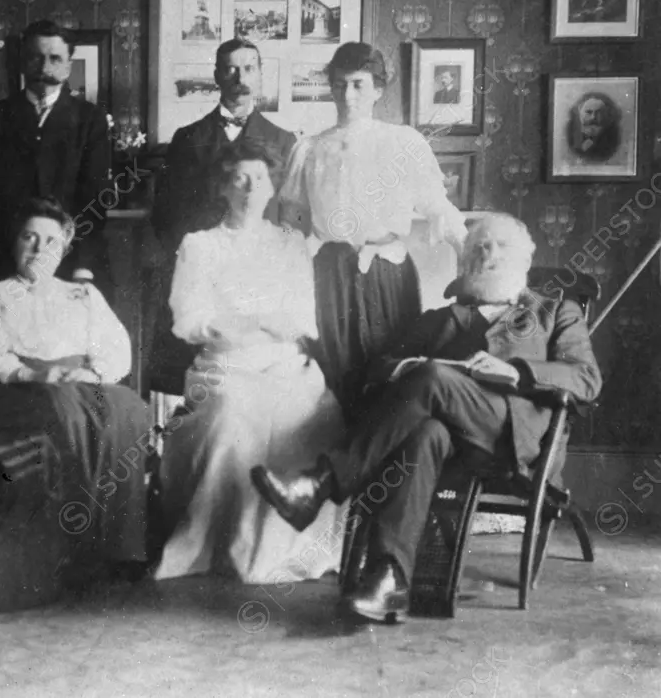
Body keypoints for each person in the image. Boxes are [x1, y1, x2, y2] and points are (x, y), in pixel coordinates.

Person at [251, 214, 602, 622]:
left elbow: (587, 379)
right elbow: (378, 368)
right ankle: (389, 580)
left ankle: (323, 482)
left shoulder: (555, 311)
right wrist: (408, 368)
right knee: (424, 434)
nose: (487, 254)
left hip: (513, 437)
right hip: (449, 443)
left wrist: (517, 372)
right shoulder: (439, 319)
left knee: (434, 376)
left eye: (500, 246)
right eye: (478, 248)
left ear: (525, 261)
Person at [153, 142, 346, 583]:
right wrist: (257, 323)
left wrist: (241, 319)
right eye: (237, 178)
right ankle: (226, 547)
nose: (248, 187)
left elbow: (301, 320)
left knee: (314, 411)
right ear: (222, 186)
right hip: (224, 363)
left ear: (272, 186)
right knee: (233, 410)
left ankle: (289, 548)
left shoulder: (290, 244)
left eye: (258, 178)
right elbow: (189, 319)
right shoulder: (199, 246)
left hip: (284, 363)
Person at [277, 41, 468, 423]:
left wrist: (466, 255)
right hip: (329, 274)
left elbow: (437, 206)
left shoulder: (403, 142)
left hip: (387, 273)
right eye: (339, 85)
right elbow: (293, 225)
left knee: (390, 373)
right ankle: (336, 473)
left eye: (359, 84)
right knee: (334, 374)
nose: (348, 95)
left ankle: (380, 471)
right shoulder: (310, 149)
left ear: (378, 89)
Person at [0, 197, 150, 576]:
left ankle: (119, 546)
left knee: (129, 408)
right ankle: (74, 546)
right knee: (64, 413)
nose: (38, 249)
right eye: (29, 238)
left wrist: (93, 375)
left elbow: (115, 347)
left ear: (63, 249)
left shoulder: (81, 294)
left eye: (50, 241)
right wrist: (32, 375)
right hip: (25, 386)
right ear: (15, 243)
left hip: (82, 381)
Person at [148, 37, 296, 391]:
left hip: (258, 273)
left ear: (260, 75)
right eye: (230, 68)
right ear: (217, 75)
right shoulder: (188, 138)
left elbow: (289, 215)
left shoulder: (283, 141)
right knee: (192, 374)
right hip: (201, 269)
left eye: (248, 68)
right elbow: (166, 214)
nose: (239, 77)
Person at [0, 20, 113, 288]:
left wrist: (83, 268)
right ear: (22, 61)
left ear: (68, 65)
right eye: (35, 58)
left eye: (55, 59)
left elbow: (95, 201)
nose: (44, 68)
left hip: (68, 262)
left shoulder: (90, 120)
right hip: (2, 261)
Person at [566, 92, 621, 162]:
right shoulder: (571, 135)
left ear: (606, 115)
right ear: (579, 112)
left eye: (599, 113)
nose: (593, 117)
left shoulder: (612, 139)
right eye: (588, 112)